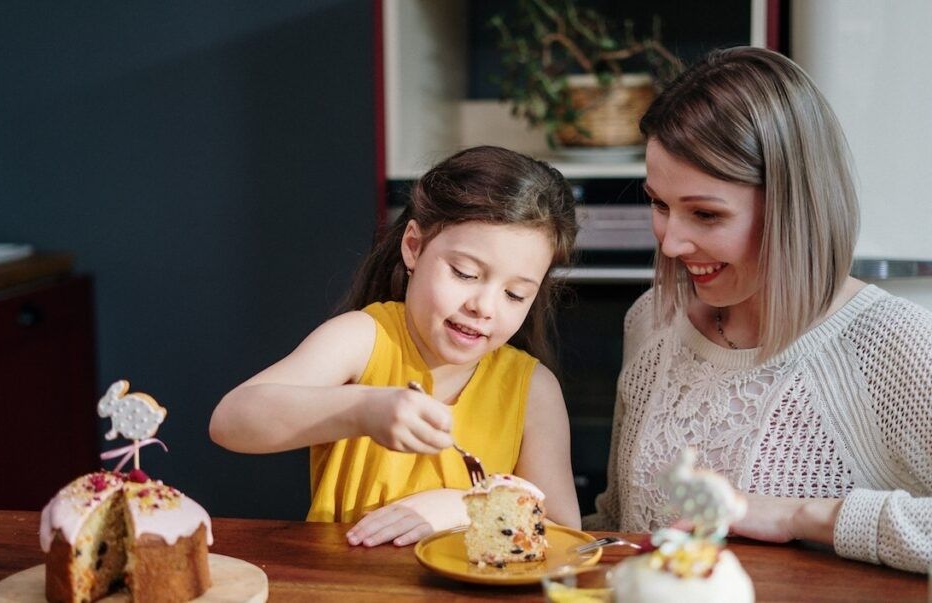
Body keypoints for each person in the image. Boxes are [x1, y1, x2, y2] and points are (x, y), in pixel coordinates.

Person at [583, 47, 932, 573]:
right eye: (659, 204)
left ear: (793, 205)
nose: (672, 243)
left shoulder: (894, 346)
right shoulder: (652, 318)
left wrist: (801, 516)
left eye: (705, 213)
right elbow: (618, 522)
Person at [211, 145, 581, 547]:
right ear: (413, 247)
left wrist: (466, 505)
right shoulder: (364, 339)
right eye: (465, 273)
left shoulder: (532, 390)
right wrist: (364, 410)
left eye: (514, 295)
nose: (484, 307)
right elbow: (230, 421)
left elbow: (564, 529)